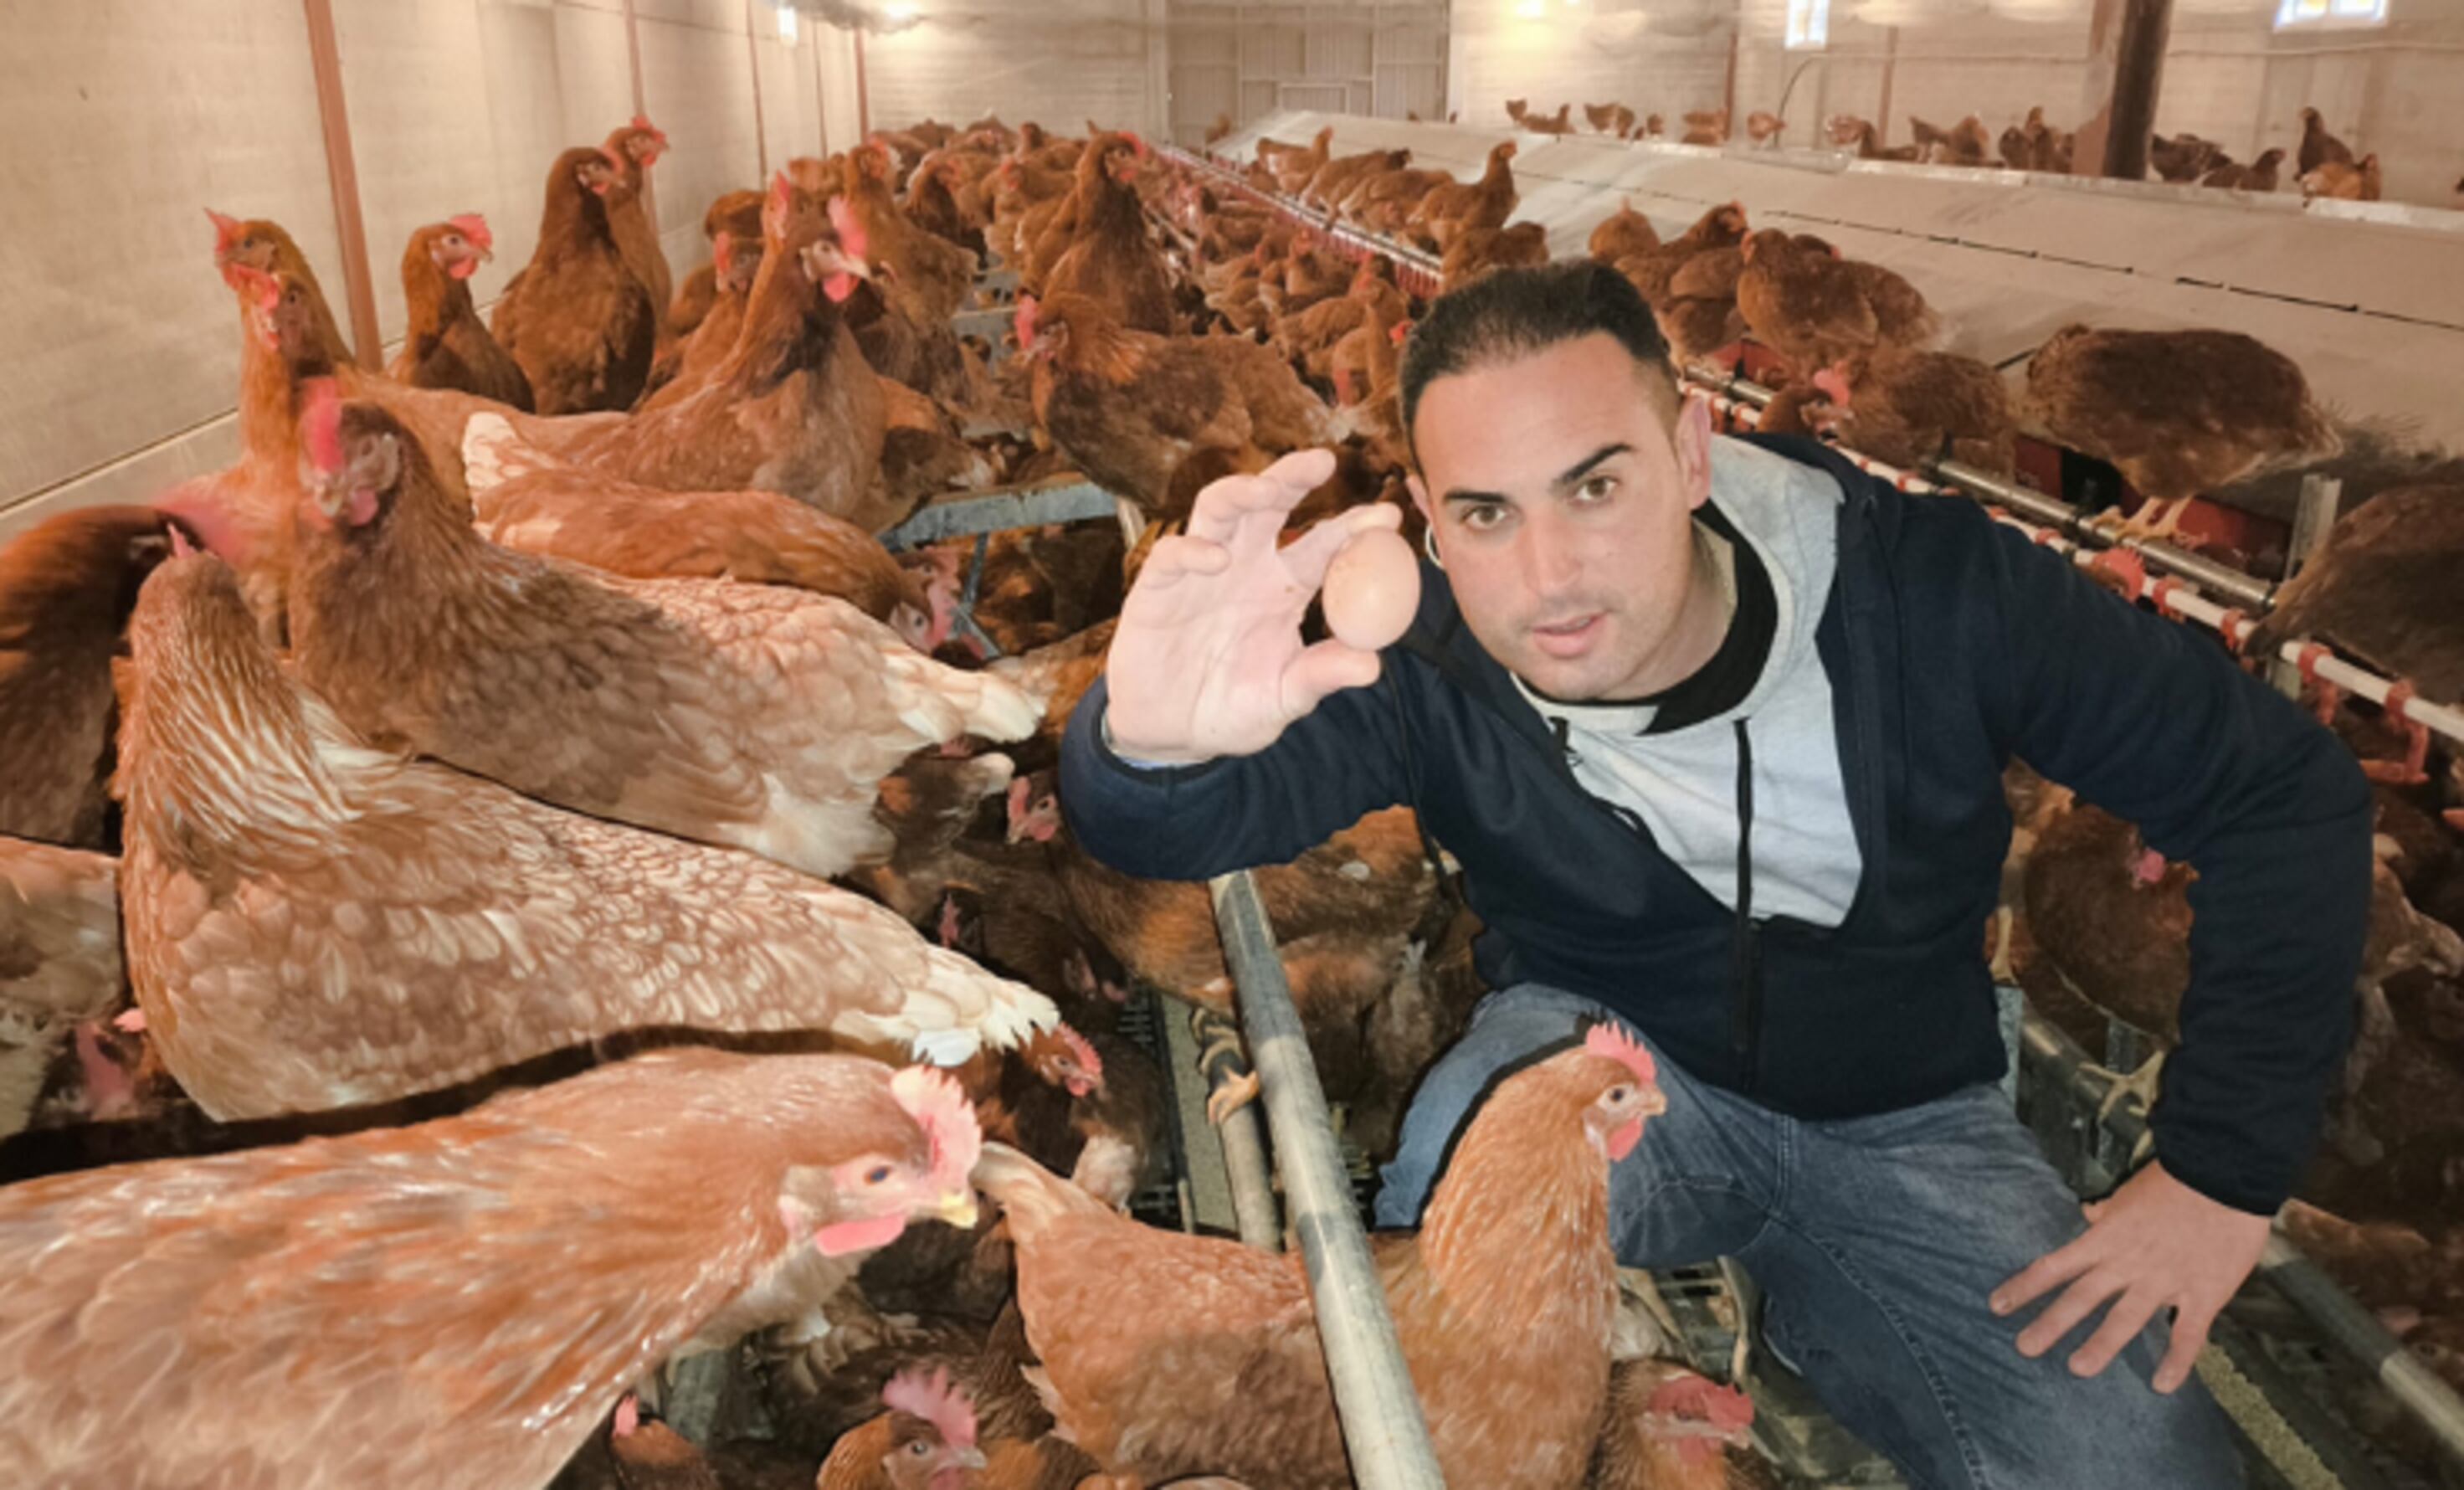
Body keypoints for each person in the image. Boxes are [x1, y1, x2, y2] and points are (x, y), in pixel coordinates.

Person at [1057, 260, 2369, 1487]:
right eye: (1485, 514)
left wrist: (2217, 1175)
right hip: (1597, 1056)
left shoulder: (1936, 591)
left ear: (1688, 452)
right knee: (1442, 1338)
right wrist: (1141, 746)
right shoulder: (1428, 660)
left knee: (2139, 1455)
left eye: (1594, 486)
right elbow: (1173, 831)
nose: (1548, 575)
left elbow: (2280, 792)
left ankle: (1831, 1312)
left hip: (1902, 1114)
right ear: (1427, 523)